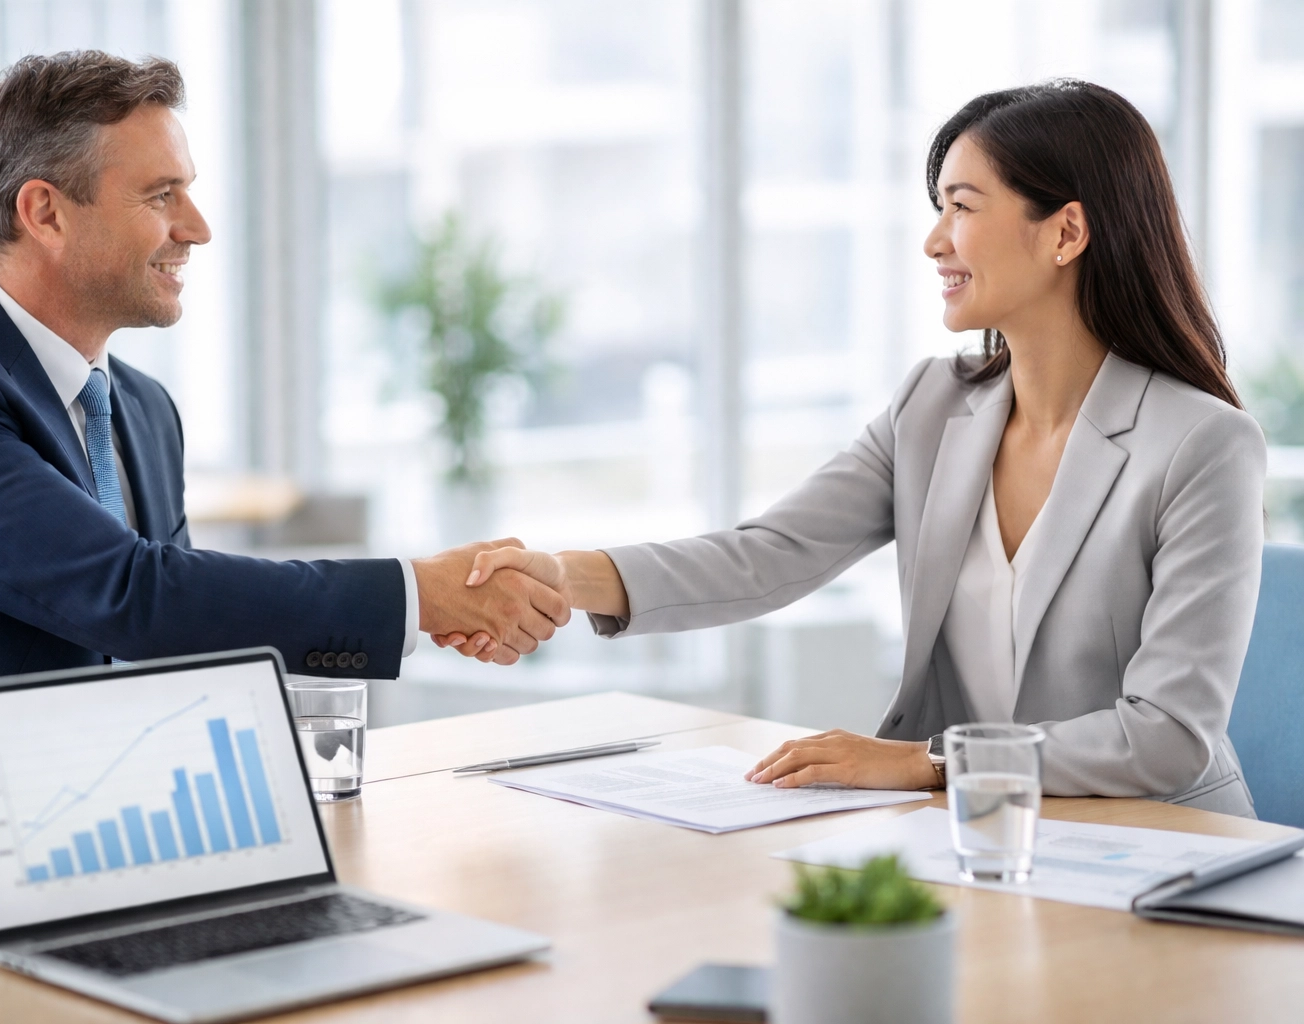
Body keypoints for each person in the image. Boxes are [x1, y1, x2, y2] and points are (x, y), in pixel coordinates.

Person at [0, 51, 567, 837]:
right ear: (44, 212)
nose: (198, 227)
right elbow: (128, 595)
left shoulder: (141, 411)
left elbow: (176, 644)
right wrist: (419, 597)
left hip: (77, 837)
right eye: (162, 194)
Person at [443, 80, 1264, 817]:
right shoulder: (933, 406)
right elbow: (769, 554)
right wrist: (562, 574)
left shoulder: (1202, 445)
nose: (934, 241)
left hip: (1163, 845)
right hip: (984, 839)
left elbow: (1167, 736)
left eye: (962, 207)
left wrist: (921, 762)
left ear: (1066, 232)